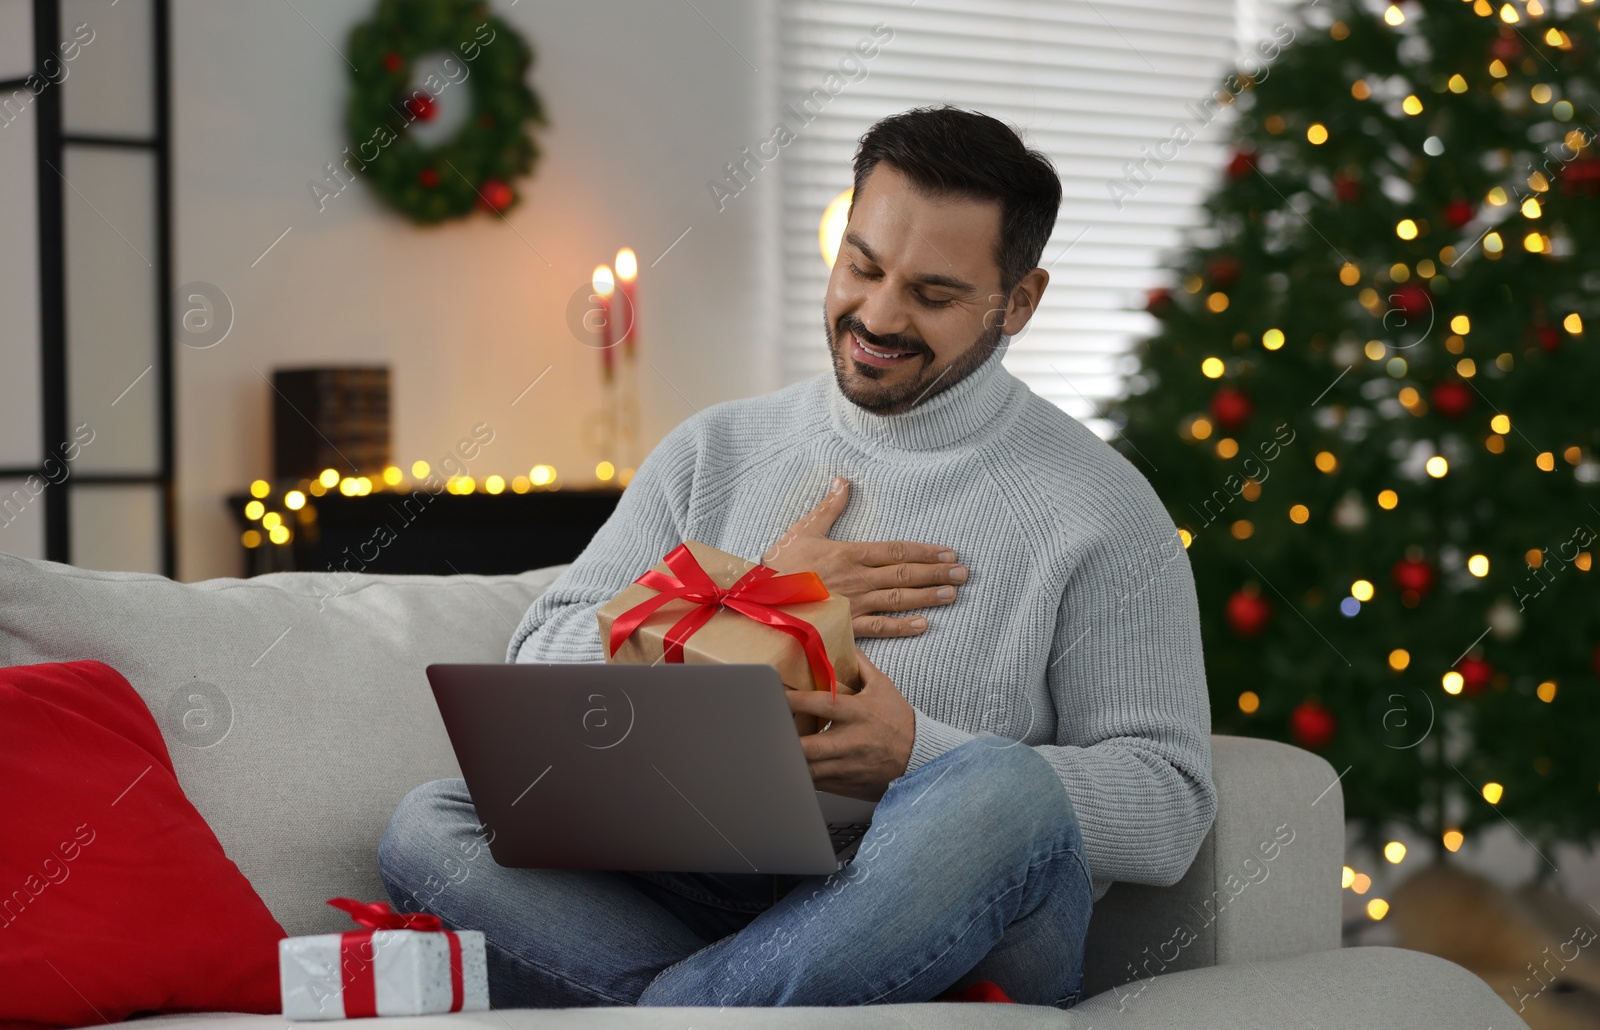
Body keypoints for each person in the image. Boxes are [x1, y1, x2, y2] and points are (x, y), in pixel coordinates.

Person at [378, 105, 1216, 1009]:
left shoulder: (1104, 509)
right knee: (428, 827)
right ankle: (733, 1002)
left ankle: (680, 1009)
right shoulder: (718, 451)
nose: (880, 315)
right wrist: (744, 596)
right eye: (862, 266)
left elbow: (1168, 805)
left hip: (942, 900)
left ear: (1018, 301)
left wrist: (916, 757)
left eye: (933, 295)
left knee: (1001, 791)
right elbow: (535, 666)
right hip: (696, 889)